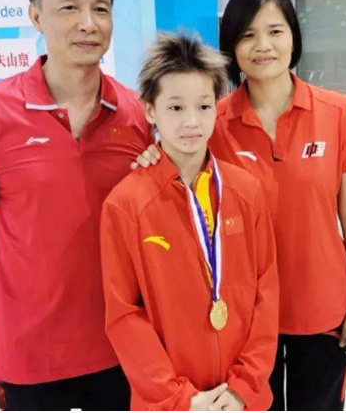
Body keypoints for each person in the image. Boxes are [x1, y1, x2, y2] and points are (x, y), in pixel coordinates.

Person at [134, 0, 346, 411]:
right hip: (241, 319)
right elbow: (178, 170)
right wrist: (154, 150)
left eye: (275, 31)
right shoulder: (214, 121)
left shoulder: (337, 113)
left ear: (293, 37)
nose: (263, 45)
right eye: (247, 34)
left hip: (322, 310)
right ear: (232, 46)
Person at [0, 0, 151, 410]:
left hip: (121, 340)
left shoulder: (136, 113)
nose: (88, 23)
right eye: (69, 7)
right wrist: (23, 269)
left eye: (101, 9)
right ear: (36, 16)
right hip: (32, 348)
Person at [100, 33, 280, 411]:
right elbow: (124, 315)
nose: (192, 122)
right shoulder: (126, 205)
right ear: (150, 110)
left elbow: (266, 290)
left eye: (203, 106)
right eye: (176, 108)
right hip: (171, 402)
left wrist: (243, 387)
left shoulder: (246, 191)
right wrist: (180, 399)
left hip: (241, 398)